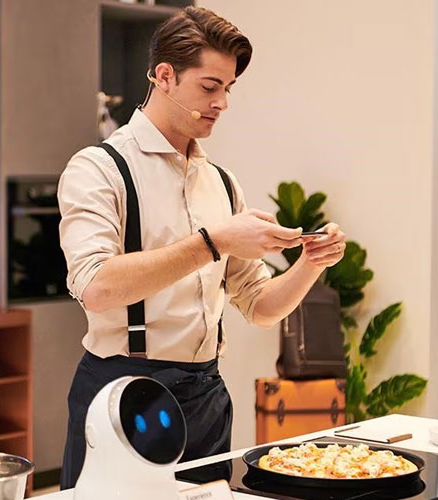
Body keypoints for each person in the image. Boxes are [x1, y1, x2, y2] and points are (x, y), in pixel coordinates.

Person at [57, 6, 346, 490]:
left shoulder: (222, 182)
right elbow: (97, 288)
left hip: (207, 398)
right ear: (164, 76)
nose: (222, 103)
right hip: (124, 395)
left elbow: (259, 306)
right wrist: (214, 242)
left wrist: (309, 264)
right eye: (210, 87)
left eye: (227, 89)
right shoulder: (99, 168)